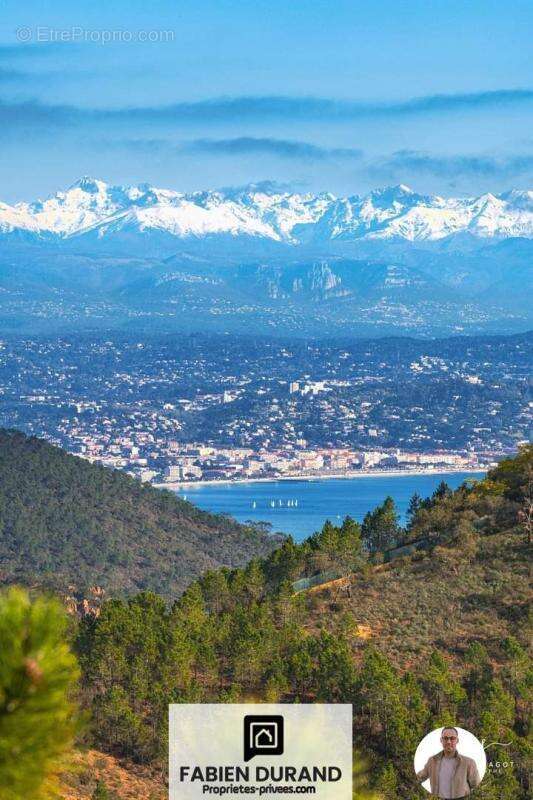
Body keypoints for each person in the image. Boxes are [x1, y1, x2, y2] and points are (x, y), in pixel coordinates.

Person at [416, 727, 481, 798]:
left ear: (457, 740)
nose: (449, 742)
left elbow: (477, 787)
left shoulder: (468, 763)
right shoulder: (432, 761)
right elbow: (419, 778)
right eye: (445, 738)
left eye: (452, 738)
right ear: (441, 740)